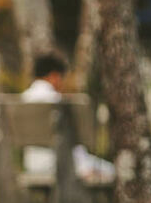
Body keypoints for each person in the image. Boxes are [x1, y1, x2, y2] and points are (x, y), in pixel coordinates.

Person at [21, 48, 114, 186]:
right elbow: (73, 142)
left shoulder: (24, 99)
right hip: (59, 163)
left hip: (33, 164)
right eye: (61, 78)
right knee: (114, 172)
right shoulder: (56, 101)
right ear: (54, 76)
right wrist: (85, 166)